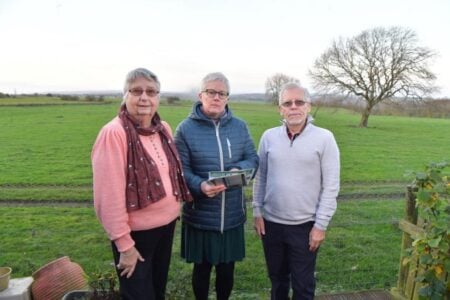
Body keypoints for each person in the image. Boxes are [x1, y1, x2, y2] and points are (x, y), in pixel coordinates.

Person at [91, 68, 192, 300]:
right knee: (138, 295)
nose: (144, 97)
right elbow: (108, 197)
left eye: (151, 91)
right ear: (125, 95)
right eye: (137, 91)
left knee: (157, 291)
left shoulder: (162, 129)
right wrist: (125, 246)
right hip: (135, 236)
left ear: (158, 97)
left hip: (165, 228)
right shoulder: (113, 133)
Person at [174, 72, 259, 300]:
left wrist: (238, 169)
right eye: (211, 92)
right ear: (201, 95)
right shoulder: (185, 129)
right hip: (201, 214)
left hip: (231, 215)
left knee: (227, 270)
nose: (216, 97)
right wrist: (200, 186)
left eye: (222, 93)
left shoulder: (240, 127)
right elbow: (180, 171)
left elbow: (253, 158)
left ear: (227, 98)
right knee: (201, 270)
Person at [252, 82, 340, 299]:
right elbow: (260, 176)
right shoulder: (268, 137)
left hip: (305, 226)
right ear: (280, 109)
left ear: (309, 106)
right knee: (278, 281)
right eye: (287, 103)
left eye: (299, 102)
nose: (293, 107)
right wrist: (256, 210)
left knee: (303, 285)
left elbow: (331, 186)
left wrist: (321, 225)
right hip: (271, 224)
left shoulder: (325, 138)